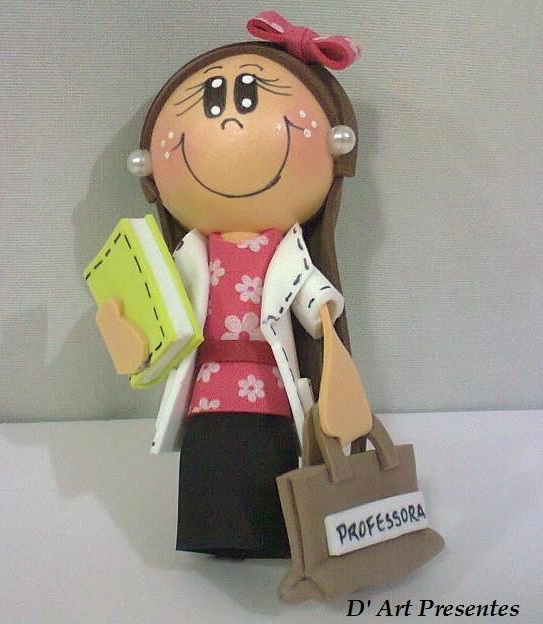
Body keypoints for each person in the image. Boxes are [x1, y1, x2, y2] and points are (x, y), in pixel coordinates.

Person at [97, 12, 372, 558]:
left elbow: (313, 300)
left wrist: (331, 346)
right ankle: (212, 533)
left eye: (248, 100)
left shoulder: (287, 252)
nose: (227, 123)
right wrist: (130, 332)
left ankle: (273, 535)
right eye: (211, 104)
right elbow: (159, 304)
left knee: (271, 461)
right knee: (211, 460)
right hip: (206, 384)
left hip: (271, 383)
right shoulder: (190, 254)